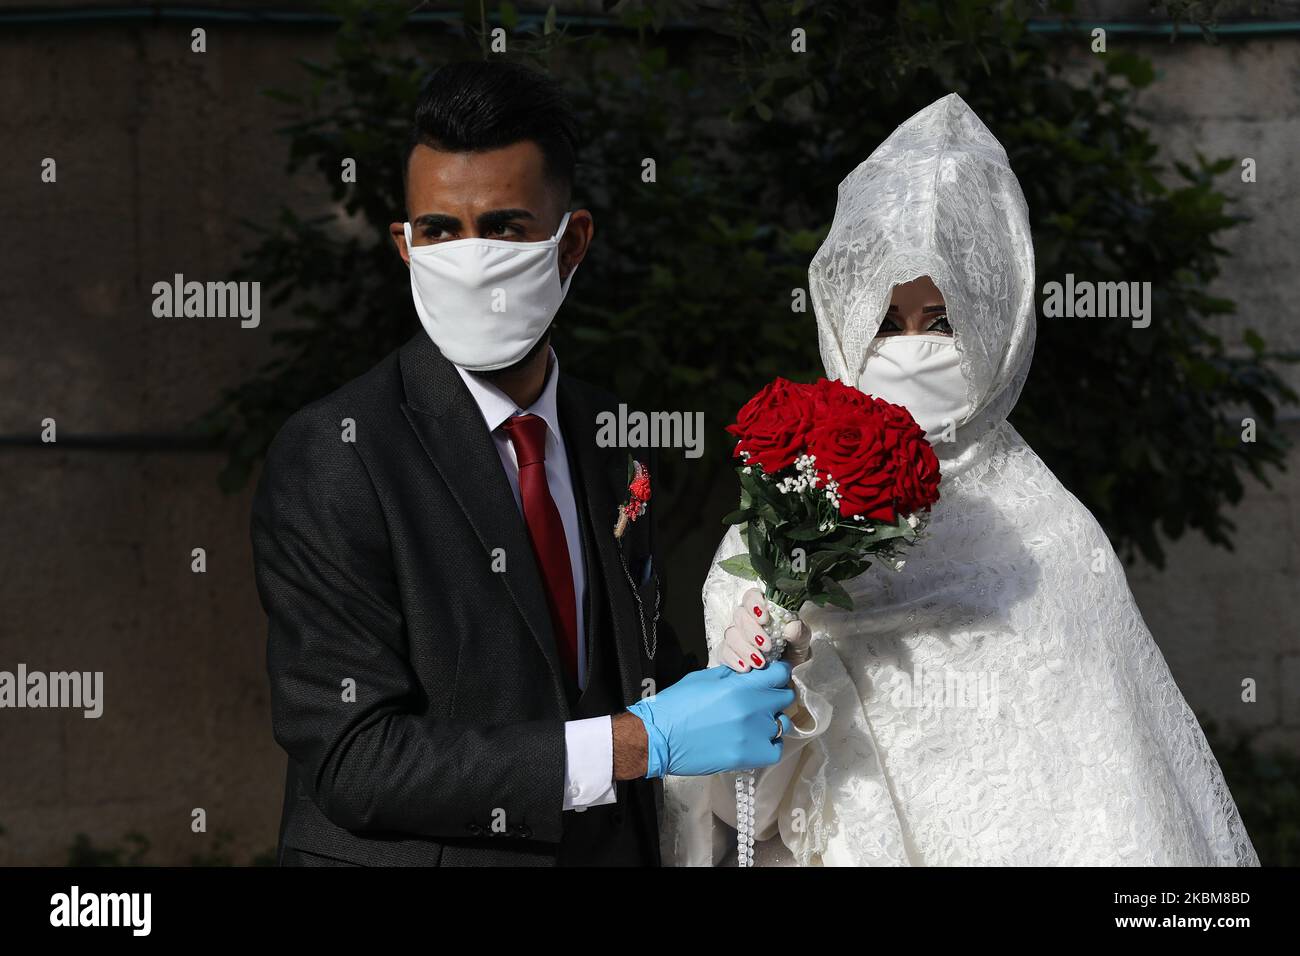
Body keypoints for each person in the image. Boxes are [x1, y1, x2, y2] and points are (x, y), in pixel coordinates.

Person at [662, 93, 1259, 867]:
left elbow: (1117, 811)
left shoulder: (1051, 539)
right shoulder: (777, 528)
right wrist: (765, 676)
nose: (913, 350)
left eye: (941, 322)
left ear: (995, 323)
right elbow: (740, 814)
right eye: (887, 322)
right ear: (845, 326)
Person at [252, 61, 793, 867]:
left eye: (504, 227)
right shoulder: (335, 453)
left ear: (570, 242)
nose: (471, 259)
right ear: (404, 246)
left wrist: (771, 639)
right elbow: (352, 758)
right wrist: (627, 746)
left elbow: (634, 666)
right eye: (439, 229)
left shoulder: (613, 434)